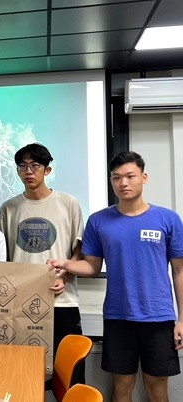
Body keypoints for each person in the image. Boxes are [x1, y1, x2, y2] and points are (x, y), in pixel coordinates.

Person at [50, 151, 183, 402]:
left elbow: (179, 271)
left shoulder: (168, 219)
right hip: (117, 317)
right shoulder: (99, 221)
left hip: (159, 317)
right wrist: (66, 265)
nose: (123, 183)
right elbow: (91, 267)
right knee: (121, 388)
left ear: (144, 177)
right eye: (116, 177)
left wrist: (182, 319)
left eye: (130, 176)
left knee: (157, 388)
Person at [0, 143, 85, 385]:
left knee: (70, 377)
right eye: (22, 166)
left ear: (47, 170)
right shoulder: (8, 208)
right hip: (19, 304)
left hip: (62, 301)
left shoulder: (68, 203)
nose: (28, 171)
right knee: (22, 376)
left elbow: (79, 250)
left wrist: (64, 276)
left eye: (35, 165)